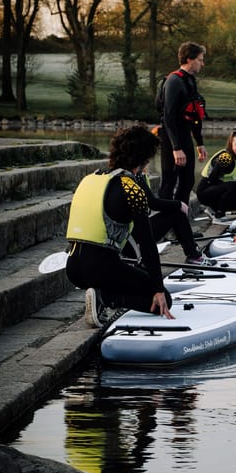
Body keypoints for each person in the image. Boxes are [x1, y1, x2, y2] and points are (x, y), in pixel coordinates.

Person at [65, 125, 176, 328]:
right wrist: (158, 288)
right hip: (99, 268)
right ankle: (106, 297)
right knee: (164, 302)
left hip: (73, 267)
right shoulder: (131, 188)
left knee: (127, 273)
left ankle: (103, 292)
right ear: (144, 158)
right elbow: (148, 244)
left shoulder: (91, 178)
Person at [157, 41, 208, 204]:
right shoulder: (173, 81)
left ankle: (179, 223)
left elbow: (195, 114)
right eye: (200, 60)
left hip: (185, 134)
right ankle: (164, 223)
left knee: (187, 181)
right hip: (170, 137)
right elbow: (168, 117)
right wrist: (176, 148)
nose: (202, 63)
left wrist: (199, 143)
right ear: (189, 59)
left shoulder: (191, 81)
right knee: (169, 181)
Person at [196, 130, 236, 224]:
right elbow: (212, 179)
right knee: (232, 186)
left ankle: (212, 210)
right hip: (205, 192)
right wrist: (225, 190)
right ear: (231, 145)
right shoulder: (226, 158)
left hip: (216, 190)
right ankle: (218, 216)